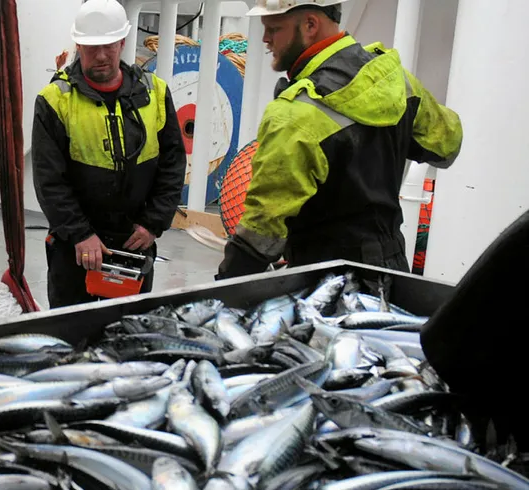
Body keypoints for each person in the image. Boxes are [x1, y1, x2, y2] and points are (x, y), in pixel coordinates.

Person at [215, 0, 464, 280]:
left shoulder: (295, 114)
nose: (265, 38)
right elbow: (447, 146)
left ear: (310, 25)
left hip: (325, 286)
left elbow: (262, 231)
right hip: (392, 273)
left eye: (274, 28)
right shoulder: (395, 81)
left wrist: (221, 289)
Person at [32, 0, 187, 308]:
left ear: (122, 42)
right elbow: (49, 179)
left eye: (108, 46)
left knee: (130, 332)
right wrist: (80, 234)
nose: (101, 56)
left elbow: (172, 163)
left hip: (135, 241)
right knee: (72, 334)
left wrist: (153, 223)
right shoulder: (55, 100)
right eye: (91, 48)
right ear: (78, 45)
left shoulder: (154, 92)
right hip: (76, 247)